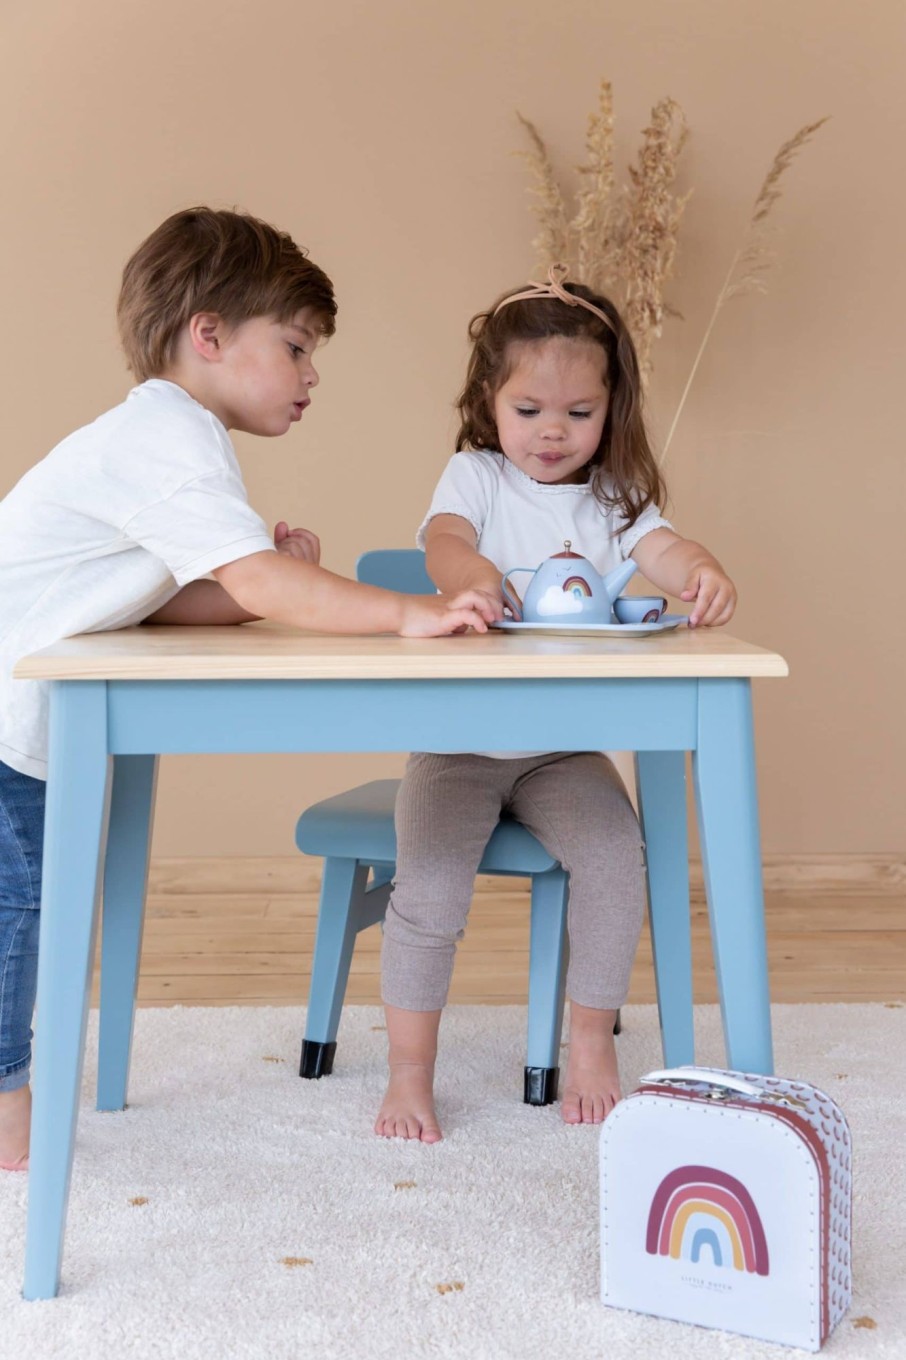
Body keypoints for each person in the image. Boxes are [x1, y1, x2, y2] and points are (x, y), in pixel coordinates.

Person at [0, 207, 498, 1172]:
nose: (313, 374)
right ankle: (8, 1111)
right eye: (297, 346)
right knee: (17, 908)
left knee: (26, 901)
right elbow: (256, 585)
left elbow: (177, 595)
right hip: (2, 712)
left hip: (26, 709)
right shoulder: (166, 436)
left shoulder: (173, 441)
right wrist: (404, 612)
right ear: (210, 335)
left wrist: (240, 588)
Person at [374, 264, 736, 1143]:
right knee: (428, 887)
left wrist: (699, 572)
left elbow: (664, 546)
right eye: (529, 410)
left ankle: (589, 1042)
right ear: (490, 400)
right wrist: (475, 580)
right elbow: (445, 543)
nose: (552, 432)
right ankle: (409, 1075)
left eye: (579, 413)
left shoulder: (615, 498)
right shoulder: (476, 478)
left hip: (562, 750)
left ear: (611, 410)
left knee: (618, 856)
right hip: (456, 745)